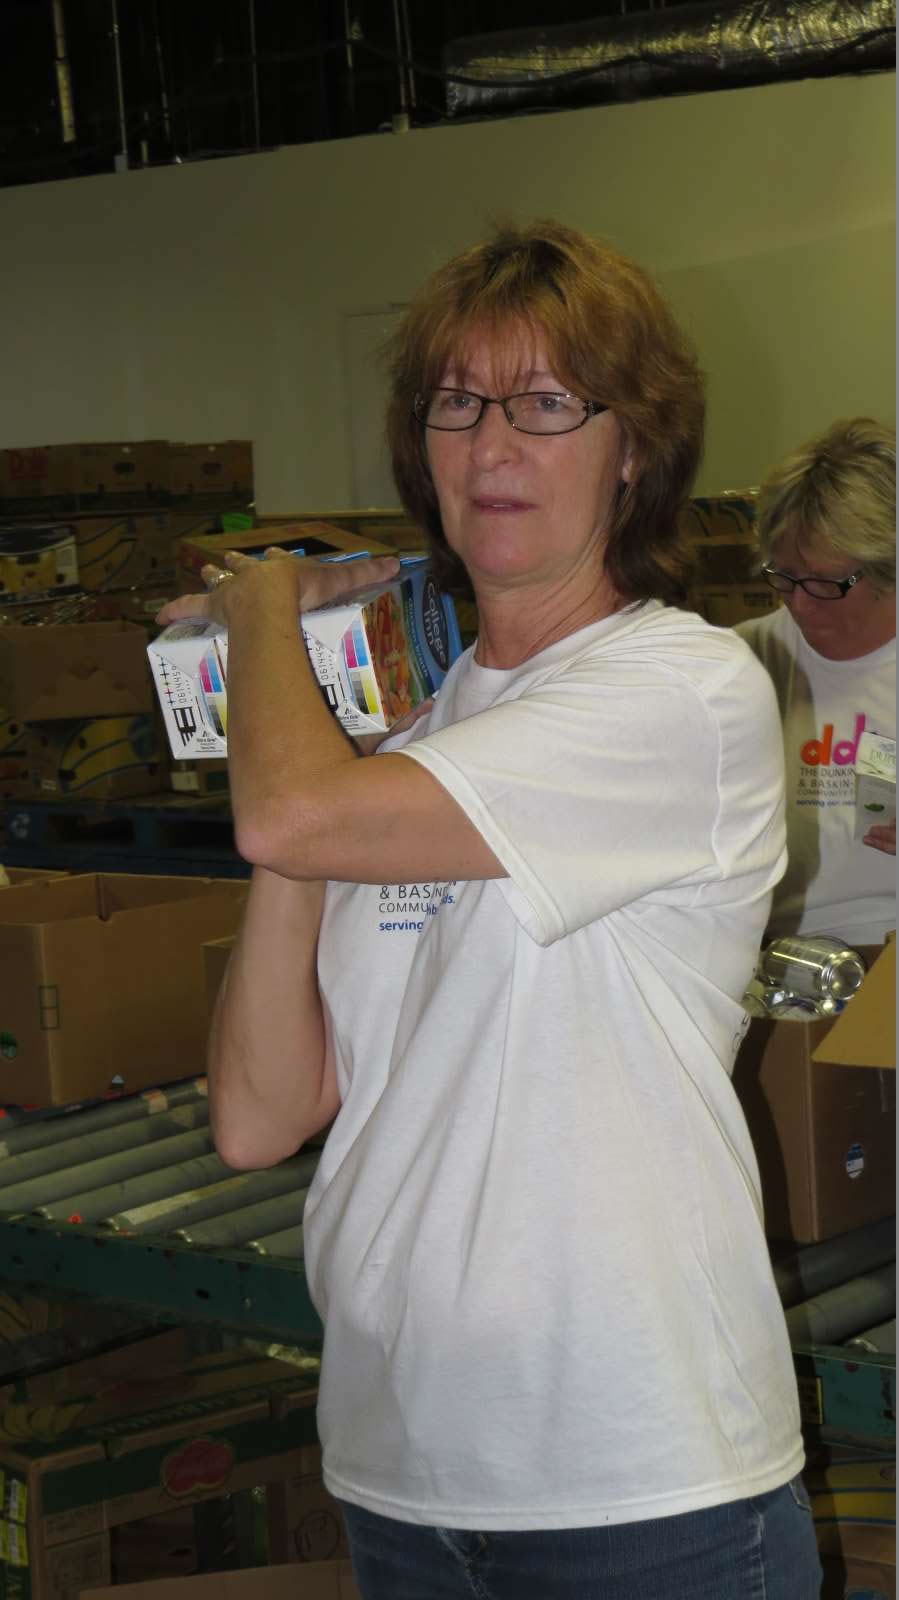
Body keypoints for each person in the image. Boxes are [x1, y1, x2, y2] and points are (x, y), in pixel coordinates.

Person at [157, 220, 820, 1600]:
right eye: (455, 404)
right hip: (401, 1471)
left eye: (545, 403)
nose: (491, 445)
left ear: (631, 449)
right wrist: (320, 762)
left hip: (634, 1485)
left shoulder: (679, 691)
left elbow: (285, 812)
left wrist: (263, 606)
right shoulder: (407, 750)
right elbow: (259, 1119)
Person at [737, 418, 896, 949]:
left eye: (827, 583)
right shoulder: (741, 663)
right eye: (783, 576)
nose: (800, 604)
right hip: (766, 948)